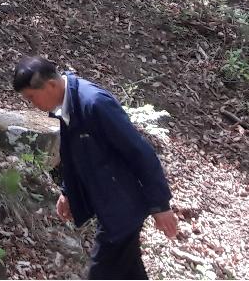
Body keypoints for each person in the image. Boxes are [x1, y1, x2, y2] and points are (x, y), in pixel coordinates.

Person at [13, 55, 181, 280]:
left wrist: (160, 205)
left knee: (101, 272)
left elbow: (140, 151)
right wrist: (68, 191)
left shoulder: (94, 103)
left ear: (51, 85)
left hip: (124, 205)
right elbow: (72, 154)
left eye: (32, 97)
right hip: (110, 203)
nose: (32, 104)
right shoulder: (66, 104)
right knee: (129, 271)